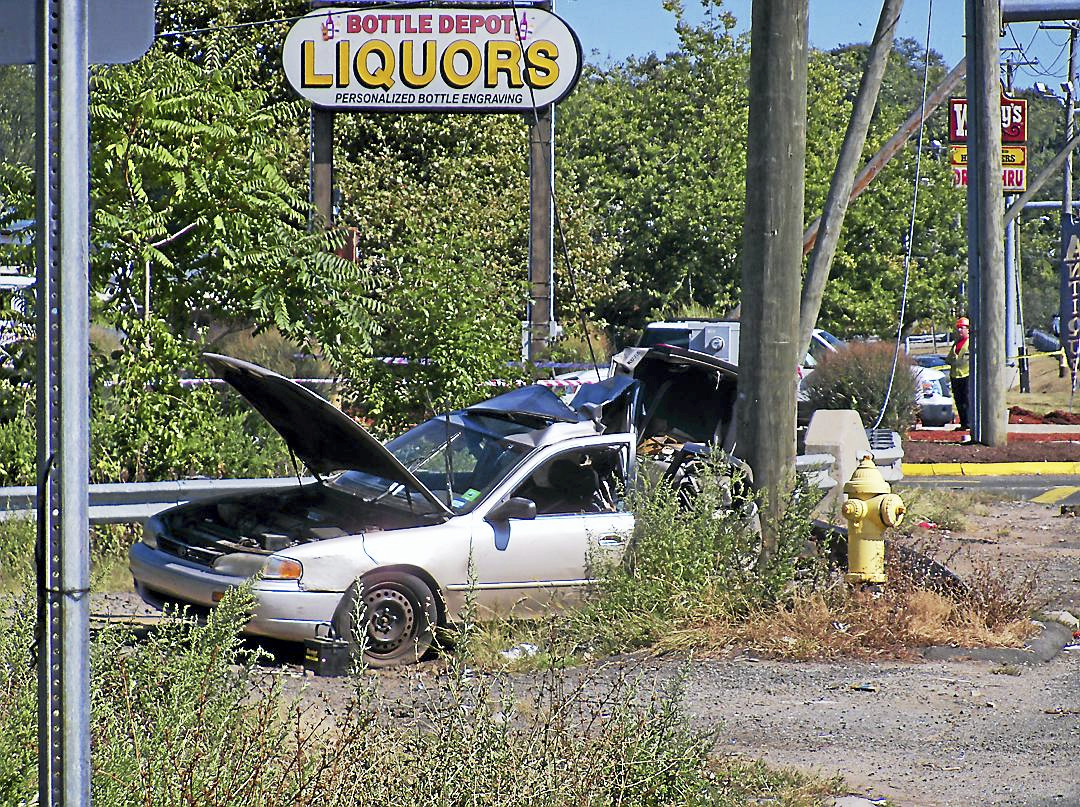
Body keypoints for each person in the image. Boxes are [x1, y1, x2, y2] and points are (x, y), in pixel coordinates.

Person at [948, 316, 970, 431]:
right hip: (955, 375)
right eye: (958, 328)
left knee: (967, 399)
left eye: (962, 328)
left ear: (968, 329)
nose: (959, 330)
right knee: (958, 400)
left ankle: (969, 422)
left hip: (966, 374)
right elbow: (950, 358)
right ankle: (963, 422)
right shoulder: (956, 343)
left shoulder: (970, 343)